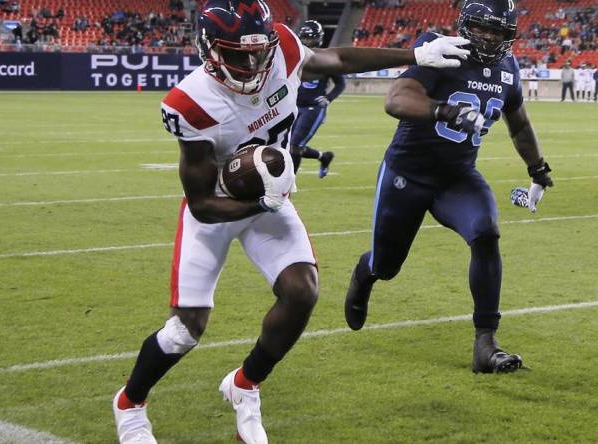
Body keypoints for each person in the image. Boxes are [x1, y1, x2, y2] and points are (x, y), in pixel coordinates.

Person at [111, 1, 471, 443]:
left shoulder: (280, 47)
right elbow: (203, 204)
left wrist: (413, 56)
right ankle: (130, 403)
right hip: (223, 208)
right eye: (237, 53)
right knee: (186, 330)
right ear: (208, 48)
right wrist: (262, 202)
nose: (251, 63)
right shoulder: (190, 103)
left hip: (270, 197)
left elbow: (336, 59)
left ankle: (244, 386)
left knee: (302, 292)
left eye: (257, 51)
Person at [343, 0, 553, 376]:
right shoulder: (442, 49)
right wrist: (443, 109)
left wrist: (537, 168)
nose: (489, 38)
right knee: (388, 266)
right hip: (407, 174)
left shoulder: (508, 67)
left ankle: (485, 344)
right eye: (483, 28)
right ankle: (365, 272)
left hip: (457, 176)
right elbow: (397, 98)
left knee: (486, 233)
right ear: (466, 26)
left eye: (498, 31)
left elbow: (518, 123)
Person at [290, 20, 344, 178]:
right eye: (304, 38)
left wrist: (329, 97)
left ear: (318, 38)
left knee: (295, 146)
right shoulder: (297, 56)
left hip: (313, 108)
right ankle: (324, 157)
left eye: (310, 38)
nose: (306, 42)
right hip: (295, 106)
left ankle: (287, 184)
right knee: (288, 146)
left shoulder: (326, 58)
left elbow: (340, 83)